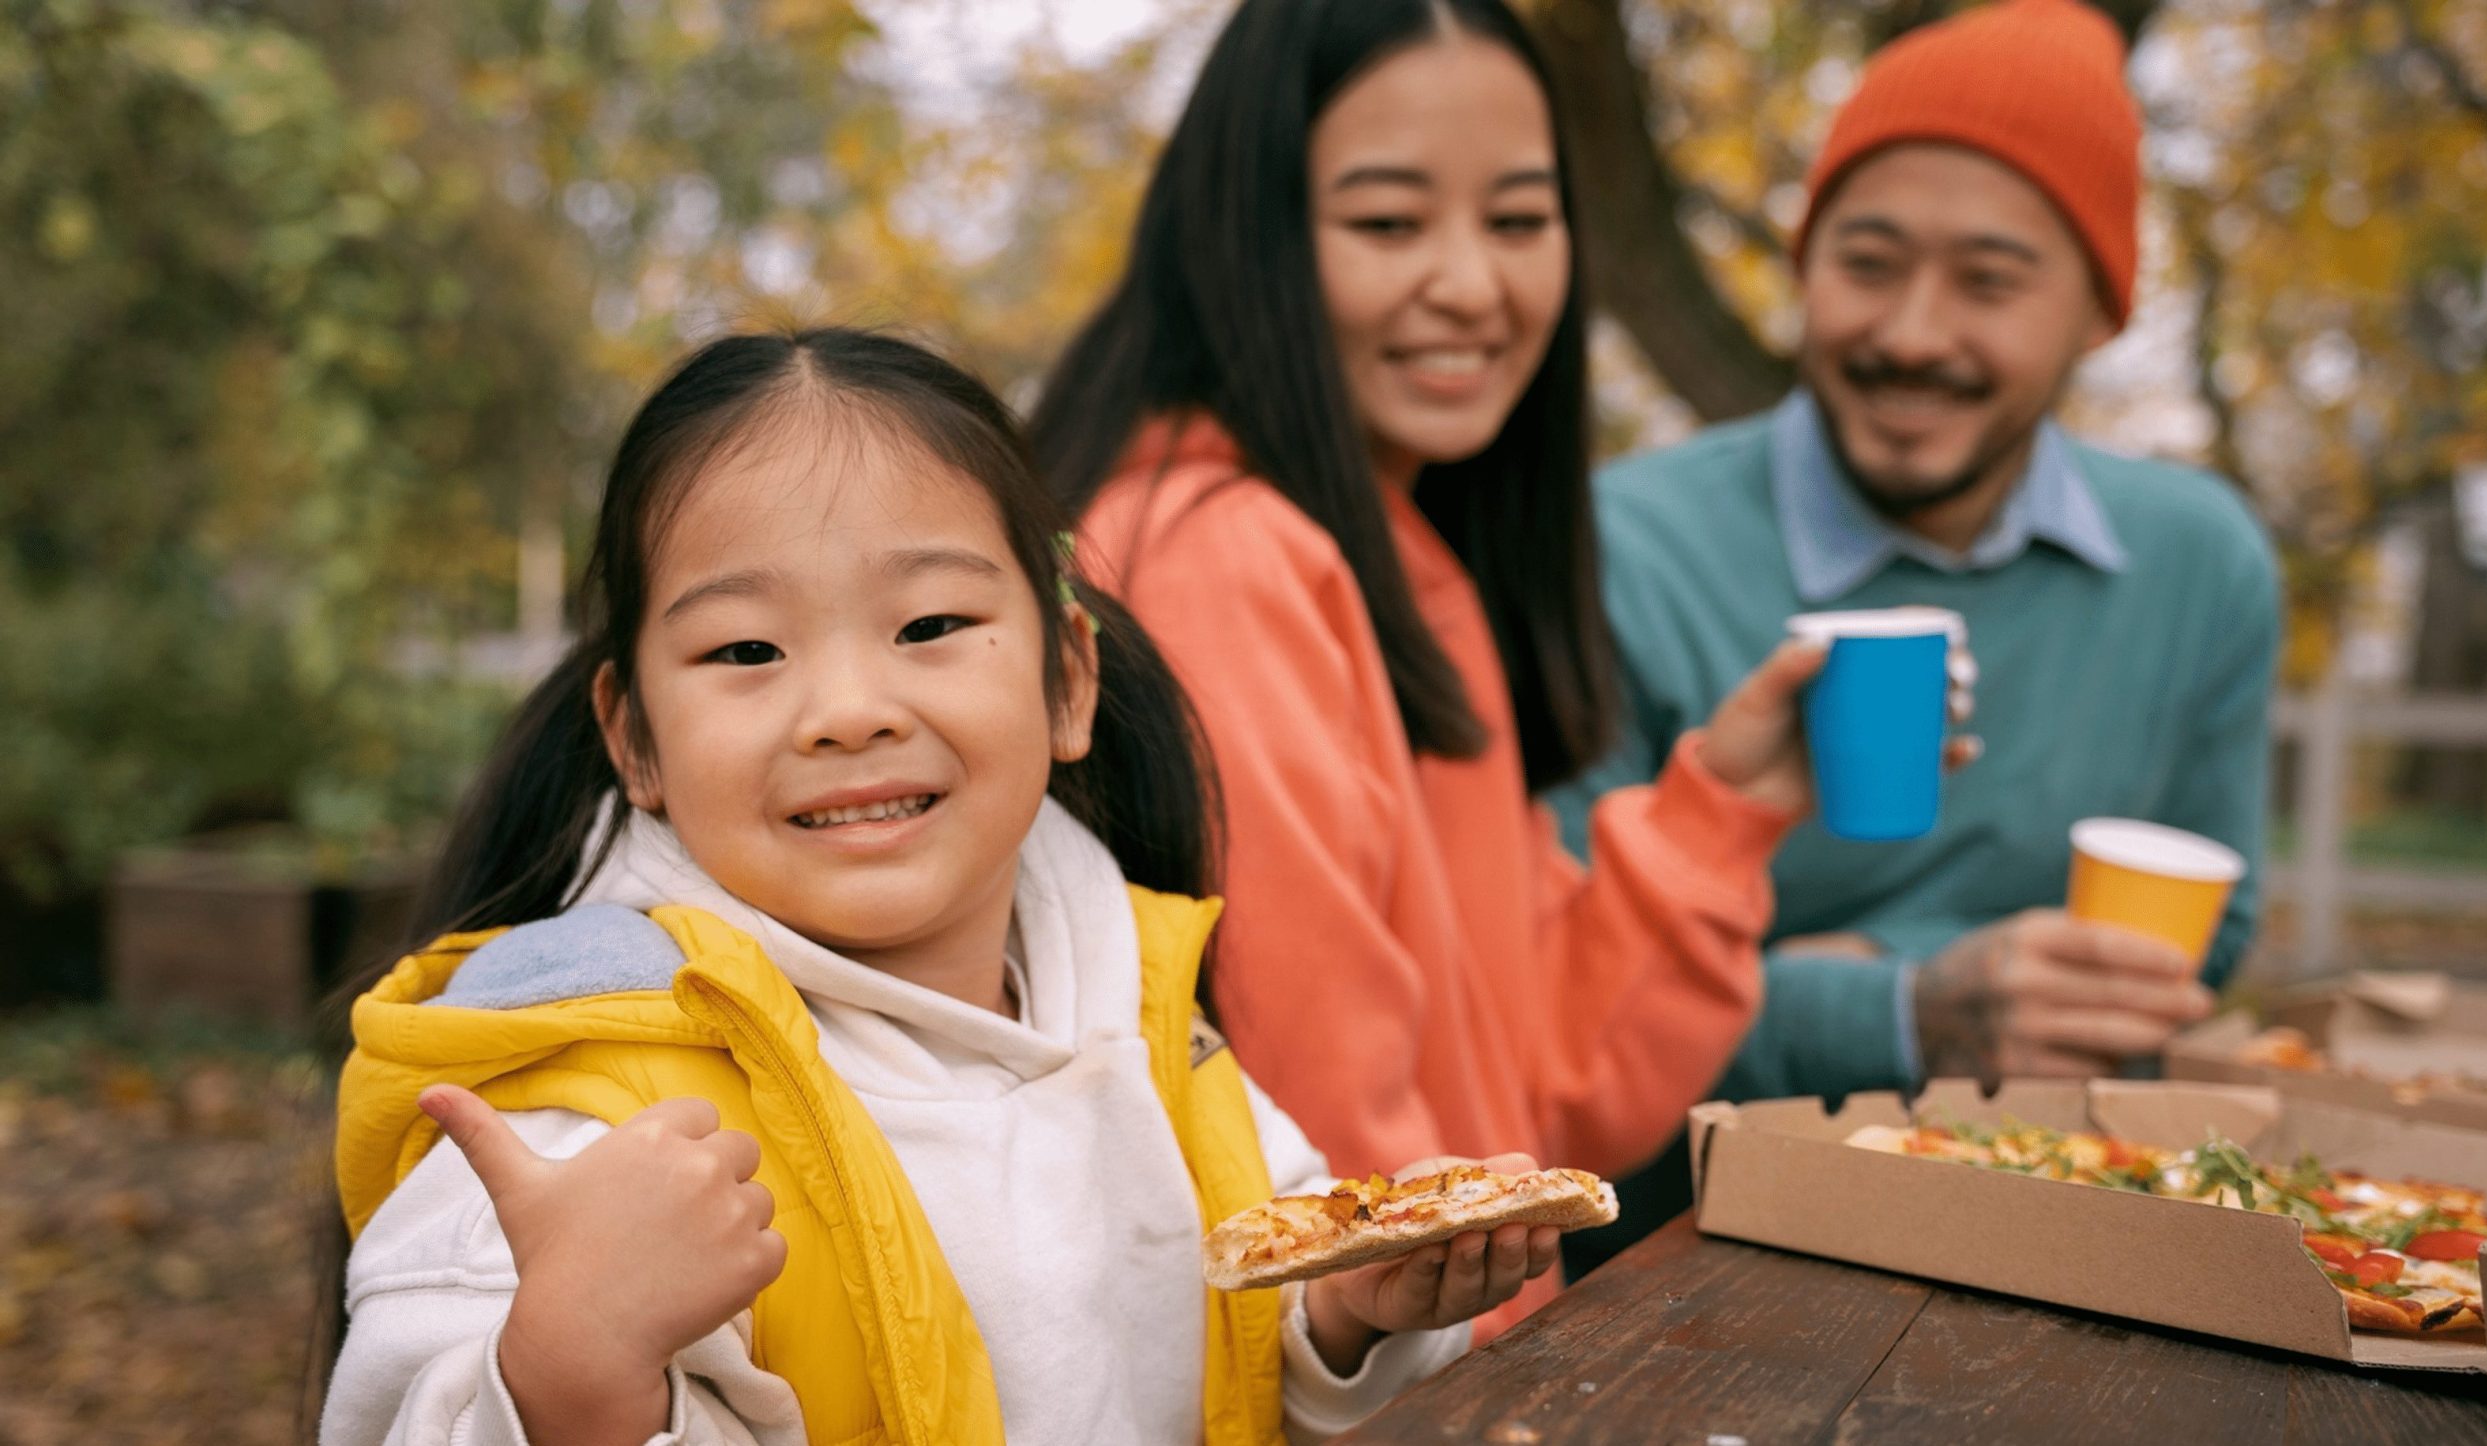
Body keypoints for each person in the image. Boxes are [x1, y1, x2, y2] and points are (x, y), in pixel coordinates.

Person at [319, 329, 1553, 1446]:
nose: (849, 713)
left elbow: (1238, 1362)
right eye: (747, 650)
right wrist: (571, 1365)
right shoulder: (584, 1104)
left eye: (930, 626)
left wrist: (1348, 1317)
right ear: (634, 736)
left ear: (1068, 678)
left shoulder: (1143, 1013)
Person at [1032, 0, 1828, 1331]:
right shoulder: (1218, 558)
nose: (1472, 282)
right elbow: (1348, 1176)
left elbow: (1548, 1084)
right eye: (1390, 222)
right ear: (1253, 236)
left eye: (1518, 221)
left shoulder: (1400, 555)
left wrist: (1724, 806)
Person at [1548, 0, 2279, 1265]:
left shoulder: (2200, 563)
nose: (1911, 334)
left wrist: (1843, 963)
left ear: (2098, 314)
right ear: (1803, 262)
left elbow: (2207, 921)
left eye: (1988, 282)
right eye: (1867, 262)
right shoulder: (1613, 548)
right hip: (1678, 1252)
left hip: (2064, 1234)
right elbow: (1546, 984)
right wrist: (1896, 1010)